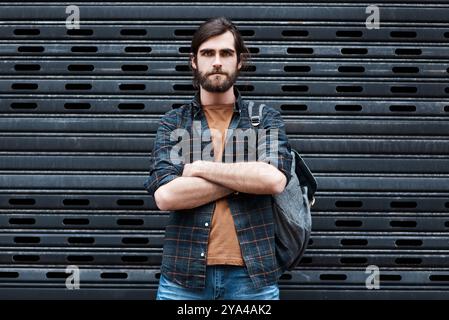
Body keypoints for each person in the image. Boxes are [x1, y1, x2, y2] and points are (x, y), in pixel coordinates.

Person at [144, 16, 293, 300]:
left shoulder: (263, 120)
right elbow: (166, 197)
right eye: (207, 53)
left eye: (226, 53)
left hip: (253, 279)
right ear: (193, 61)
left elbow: (273, 180)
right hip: (183, 278)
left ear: (239, 61)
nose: (216, 62)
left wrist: (199, 167)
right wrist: (248, 179)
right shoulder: (175, 123)